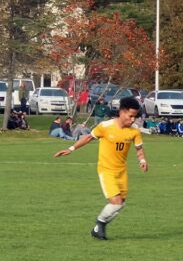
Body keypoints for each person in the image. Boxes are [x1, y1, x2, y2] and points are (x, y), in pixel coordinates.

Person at [53, 96, 148, 240]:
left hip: (121, 172)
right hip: (106, 170)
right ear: (122, 112)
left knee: (120, 204)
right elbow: (88, 137)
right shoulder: (105, 126)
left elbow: (139, 148)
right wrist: (71, 148)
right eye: (131, 116)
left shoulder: (134, 131)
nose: (133, 120)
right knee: (116, 202)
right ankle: (100, 224)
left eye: (135, 117)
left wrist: (142, 160)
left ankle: (99, 228)